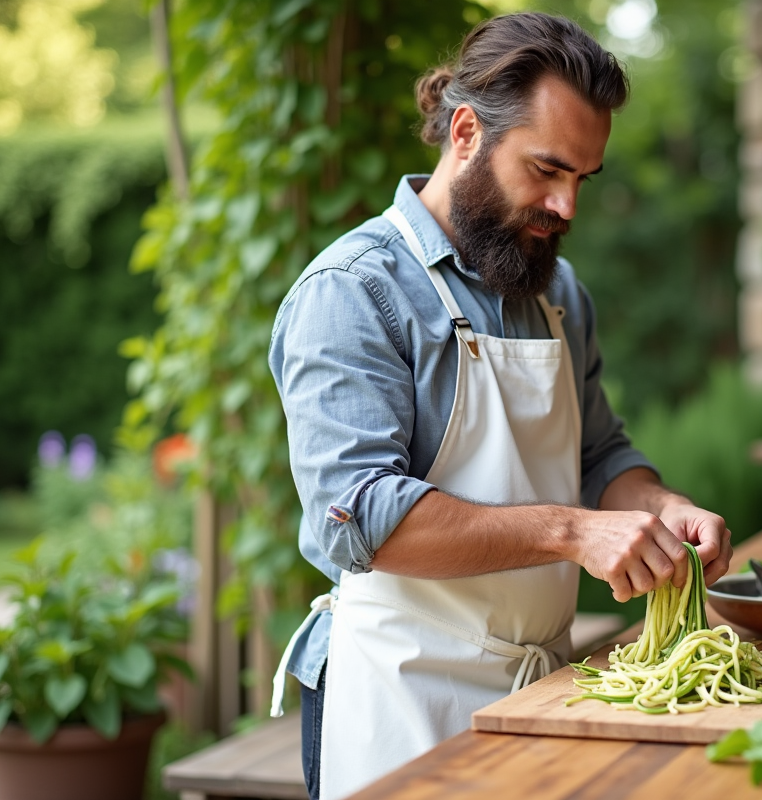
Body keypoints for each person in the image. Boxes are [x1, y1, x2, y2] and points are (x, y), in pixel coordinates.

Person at [267, 12, 732, 800]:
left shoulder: (559, 293)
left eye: (582, 178)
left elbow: (599, 456)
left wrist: (658, 507)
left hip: (547, 691)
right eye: (547, 169)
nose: (566, 207)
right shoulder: (355, 292)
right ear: (465, 132)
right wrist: (574, 531)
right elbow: (362, 518)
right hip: (396, 697)